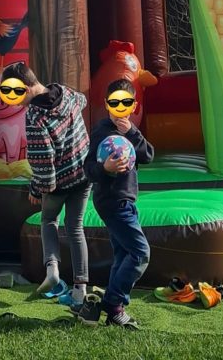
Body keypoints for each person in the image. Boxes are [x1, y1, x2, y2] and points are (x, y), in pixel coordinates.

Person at [1, 61, 91, 310]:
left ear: (27, 87)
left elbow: (42, 159)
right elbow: (83, 101)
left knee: (49, 220)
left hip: (59, 182)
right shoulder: (66, 93)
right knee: (75, 228)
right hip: (83, 174)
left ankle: (52, 270)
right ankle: (80, 290)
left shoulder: (35, 117)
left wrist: (38, 188)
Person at [78, 78, 154, 329]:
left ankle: (113, 310)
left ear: (133, 105)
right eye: (115, 103)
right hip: (112, 202)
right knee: (140, 253)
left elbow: (148, 155)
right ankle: (113, 303)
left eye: (126, 103)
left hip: (127, 201)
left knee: (123, 253)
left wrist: (131, 133)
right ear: (107, 104)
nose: (120, 108)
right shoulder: (101, 132)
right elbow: (88, 169)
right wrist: (106, 168)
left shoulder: (131, 131)